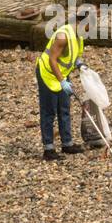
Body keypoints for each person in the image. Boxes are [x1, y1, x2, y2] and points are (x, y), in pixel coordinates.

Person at [36, 16, 87, 161]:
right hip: (48, 73)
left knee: (64, 108)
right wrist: (62, 81)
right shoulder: (63, 36)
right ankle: (48, 149)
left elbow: (74, 55)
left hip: (61, 74)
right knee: (49, 112)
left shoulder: (79, 36)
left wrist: (79, 64)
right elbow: (52, 59)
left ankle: (67, 144)